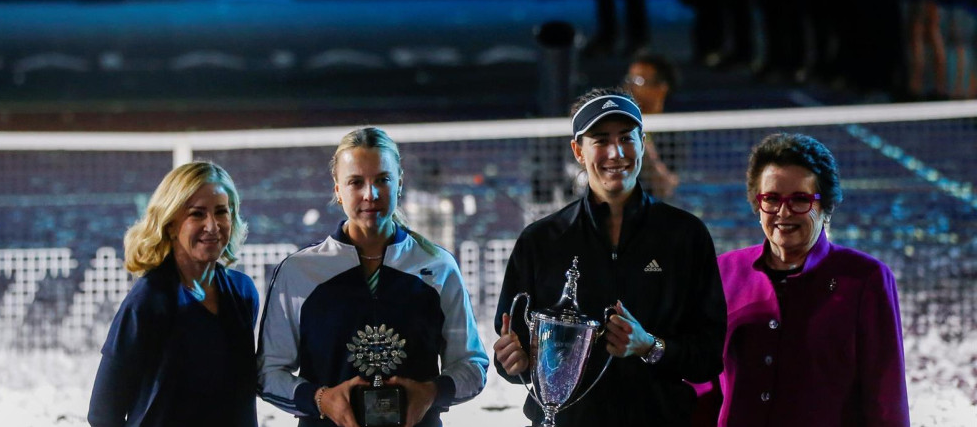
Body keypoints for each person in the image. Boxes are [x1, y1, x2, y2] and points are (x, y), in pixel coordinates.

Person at [493, 88, 726, 425]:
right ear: (578, 151)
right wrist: (511, 363)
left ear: (643, 143)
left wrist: (650, 346)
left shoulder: (685, 236)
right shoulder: (541, 241)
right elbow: (516, 357)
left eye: (626, 139)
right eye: (600, 140)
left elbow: (708, 357)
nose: (616, 153)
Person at [258, 127, 488, 427]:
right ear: (338, 190)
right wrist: (321, 399)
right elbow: (268, 374)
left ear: (400, 183)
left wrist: (432, 393)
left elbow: (472, 364)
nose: (371, 194)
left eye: (383, 179)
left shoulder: (438, 266)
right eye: (356, 182)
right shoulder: (299, 271)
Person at [714, 133, 910, 426]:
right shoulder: (725, 272)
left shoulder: (866, 279)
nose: (783, 212)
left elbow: (886, 398)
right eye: (772, 199)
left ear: (825, 207)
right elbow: (703, 381)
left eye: (800, 200)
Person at [88, 161, 259, 427]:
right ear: (170, 224)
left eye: (221, 212)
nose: (212, 226)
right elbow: (103, 413)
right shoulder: (148, 300)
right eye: (197, 214)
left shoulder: (243, 292)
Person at [624, 53, 681, 199]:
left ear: (661, 88)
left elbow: (665, 189)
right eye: (628, 79)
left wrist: (642, 142)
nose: (628, 86)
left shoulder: (674, 132)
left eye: (637, 81)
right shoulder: (616, 124)